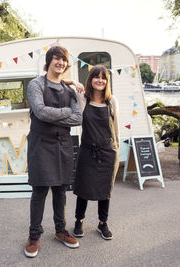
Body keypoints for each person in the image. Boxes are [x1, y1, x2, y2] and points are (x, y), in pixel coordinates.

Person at [24, 45, 83, 258]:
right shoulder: (36, 85)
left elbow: (78, 118)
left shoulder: (70, 90)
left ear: (66, 64)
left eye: (63, 60)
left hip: (63, 145)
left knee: (60, 190)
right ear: (49, 62)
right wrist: (67, 111)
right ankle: (34, 235)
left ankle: (60, 230)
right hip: (41, 144)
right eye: (56, 59)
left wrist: (56, 114)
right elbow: (40, 112)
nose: (60, 62)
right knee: (40, 191)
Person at [72, 65, 120, 240]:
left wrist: (116, 149)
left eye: (104, 77)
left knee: (105, 190)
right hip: (87, 151)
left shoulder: (112, 101)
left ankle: (102, 223)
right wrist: (74, 81)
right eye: (96, 77)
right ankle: (79, 220)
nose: (100, 80)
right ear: (91, 79)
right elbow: (60, 81)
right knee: (83, 189)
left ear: (107, 81)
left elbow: (115, 127)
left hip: (108, 152)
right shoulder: (83, 99)